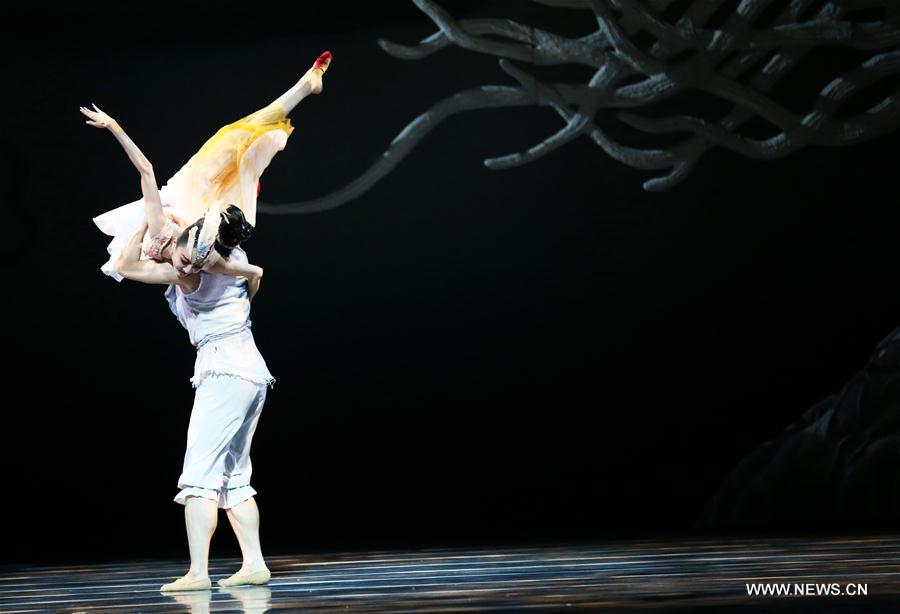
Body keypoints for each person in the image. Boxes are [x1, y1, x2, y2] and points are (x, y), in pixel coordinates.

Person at [116, 223, 273, 591]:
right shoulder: (234, 258)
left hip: (222, 369)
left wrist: (141, 223)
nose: (184, 267)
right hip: (251, 368)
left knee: (200, 473)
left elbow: (125, 265)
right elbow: (251, 283)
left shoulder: (185, 273)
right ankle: (254, 564)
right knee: (233, 472)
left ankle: (198, 572)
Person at [85, 50, 332, 279]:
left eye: (187, 262)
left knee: (231, 138)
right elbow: (252, 272)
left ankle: (304, 86)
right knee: (240, 176)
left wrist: (113, 126)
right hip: (200, 215)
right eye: (193, 264)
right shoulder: (190, 267)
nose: (186, 269)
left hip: (183, 192)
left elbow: (146, 170)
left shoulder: (160, 228)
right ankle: (245, 184)